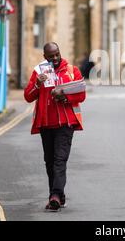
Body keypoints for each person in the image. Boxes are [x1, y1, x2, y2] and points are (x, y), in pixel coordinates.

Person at [24, 42, 86, 211]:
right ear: (45, 57)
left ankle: (55, 196)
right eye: (51, 56)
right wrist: (37, 84)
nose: (55, 58)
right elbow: (28, 97)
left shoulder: (71, 71)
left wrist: (65, 97)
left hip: (66, 123)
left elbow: (81, 94)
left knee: (60, 160)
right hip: (46, 124)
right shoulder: (39, 72)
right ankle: (58, 195)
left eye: (57, 54)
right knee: (50, 161)